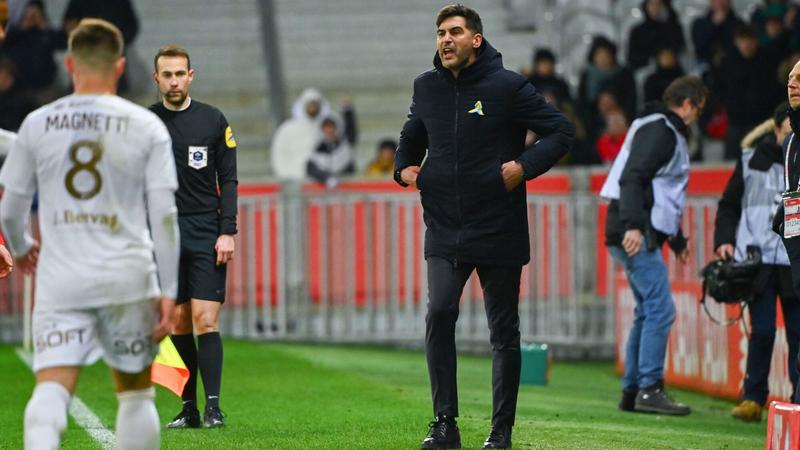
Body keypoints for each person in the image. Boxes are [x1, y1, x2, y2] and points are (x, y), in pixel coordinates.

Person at [394, 4, 574, 448]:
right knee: (439, 313)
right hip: (444, 226)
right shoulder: (427, 86)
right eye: (440, 33)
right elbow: (411, 136)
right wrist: (404, 169)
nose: (445, 40)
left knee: (503, 332)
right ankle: (444, 423)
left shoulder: (508, 86)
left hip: (498, 226)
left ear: (476, 39)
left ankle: (500, 431)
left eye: (454, 31)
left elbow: (561, 132)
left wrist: (523, 167)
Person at [0, 18, 179, 449]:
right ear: (119, 67)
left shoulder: (38, 124)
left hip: (62, 281)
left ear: (72, 65)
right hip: (128, 278)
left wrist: (21, 247)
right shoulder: (147, 125)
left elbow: (10, 210)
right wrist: (169, 288)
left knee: (50, 391)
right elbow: (165, 214)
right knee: (136, 394)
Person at [600, 76, 708, 416]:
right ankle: (649, 388)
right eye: (698, 110)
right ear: (688, 104)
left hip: (636, 226)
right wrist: (633, 225)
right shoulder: (662, 130)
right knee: (661, 308)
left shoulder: (657, 126)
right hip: (634, 228)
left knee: (647, 310)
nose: (696, 117)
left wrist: (674, 239)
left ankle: (633, 390)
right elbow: (633, 176)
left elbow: (658, 188)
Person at [150, 44, 237, 429]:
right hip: (163, 232)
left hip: (205, 228)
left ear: (191, 75)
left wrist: (227, 231)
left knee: (206, 320)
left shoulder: (213, 120)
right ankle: (189, 408)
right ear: (156, 79)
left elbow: (229, 179)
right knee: (179, 322)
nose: (173, 80)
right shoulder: (144, 123)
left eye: (179, 73)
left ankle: (214, 406)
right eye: (166, 74)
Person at [715, 102, 799, 422]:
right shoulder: (750, 160)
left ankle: (797, 403)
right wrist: (724, 239)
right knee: (762, 331)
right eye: (789, 130)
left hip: (793, 260)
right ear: (776, 129)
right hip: (760, 260)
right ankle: (753, 398)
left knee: (798, 336)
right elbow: (729, 204)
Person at [716, 24, 784, 160]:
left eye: (750, 40)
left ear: (756, 41)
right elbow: (719, 89)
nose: (747, 44)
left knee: (764, 164)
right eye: (743, 40)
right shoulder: (727, 62)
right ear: (736, 41)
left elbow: (776, 91)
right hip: (735, 123)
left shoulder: (768, 61)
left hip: (762, 124)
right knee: (731, 164)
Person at [626, 0, 685, 72]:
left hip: (672, 69)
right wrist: (653, 59)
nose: (655, 8)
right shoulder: (637, 31)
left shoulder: (673, 28)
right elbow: (632, 57)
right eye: (651, 4)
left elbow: (680, 49)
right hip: (644, 71)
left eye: (658, 4)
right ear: (645, 6)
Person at [306, 116, 355, 188]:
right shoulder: (318, 147)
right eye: (326, 127)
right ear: (322, 129)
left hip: (343, 187)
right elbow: (311, 169)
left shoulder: (343, 147)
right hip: (322, 187)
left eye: (332, 127)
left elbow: (349, 169)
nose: (329, 130)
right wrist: (327, 178)